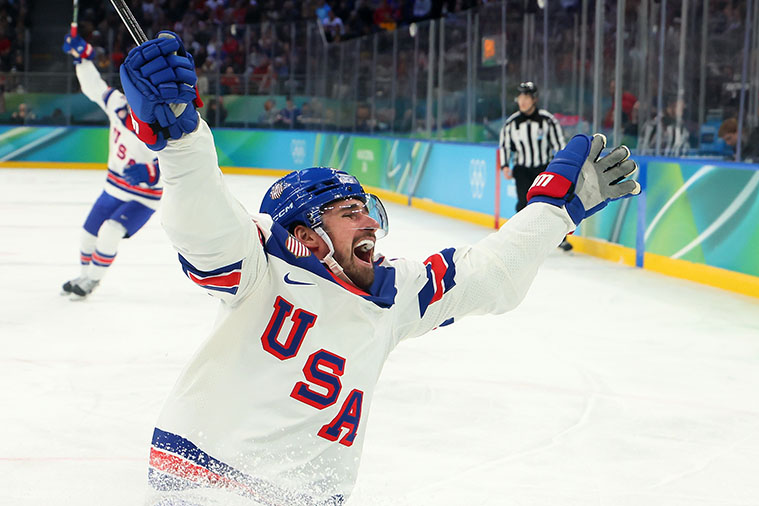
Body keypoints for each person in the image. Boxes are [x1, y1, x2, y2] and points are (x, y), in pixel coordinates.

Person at [120, 32, 640, 505]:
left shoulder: (398, 293)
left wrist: (553, 211)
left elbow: (492, 275)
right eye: (349, 213)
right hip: (207, 479)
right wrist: (182, 139)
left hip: (304, 496)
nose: (369, 221)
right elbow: (204, 223)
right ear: (303, 234)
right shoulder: (261, 261)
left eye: (367, 209)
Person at [59, 32, 162, 299]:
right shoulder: (117, 102)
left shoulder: (158, 120)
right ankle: (83, 276)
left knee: (110, 231)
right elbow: (94, 88)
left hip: (144, 196)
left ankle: (92, 280)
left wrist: (151, 172)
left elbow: (176, 159)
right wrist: (83, 60)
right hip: (114, 185)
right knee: (87, 233)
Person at [498, 81, 570, 250]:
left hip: (543, 168)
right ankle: (522, 237)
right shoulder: (512, 123)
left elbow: (559, 143)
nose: (522, 101)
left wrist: (562, 166)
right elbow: (505, 146)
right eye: (520, 97)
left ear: (534, 99)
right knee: (523, 202)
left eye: (526, 97)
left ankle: (559, 237)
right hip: (522, 168)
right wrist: (505, 166)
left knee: (551, 203)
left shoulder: (547, 120)